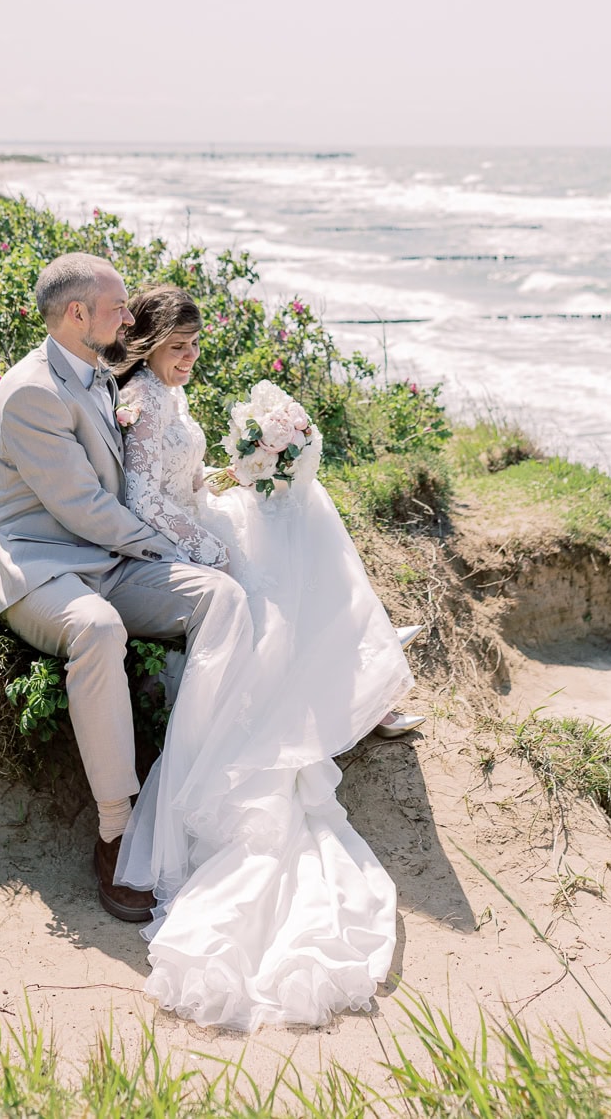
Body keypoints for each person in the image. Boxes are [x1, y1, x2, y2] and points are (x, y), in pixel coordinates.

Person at [108, 284, 422, 1030]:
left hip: (196, 518)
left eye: (193, 347)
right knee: (280, 558)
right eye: (178, 348)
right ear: (149, 345)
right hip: (177, 541)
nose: (190, 359)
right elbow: (143, 500)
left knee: (303, 509)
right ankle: (338, 687)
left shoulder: (167, 395)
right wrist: (212, 546)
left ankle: (353, 676)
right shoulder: (142, 402)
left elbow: (180, 483)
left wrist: (231, 480)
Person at [0, 251, 254, 925]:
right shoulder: (32, 390)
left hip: (109, 559)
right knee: (97, 628)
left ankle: (199, 773)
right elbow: (82, 506)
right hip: (43, 565)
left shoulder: (99, 373)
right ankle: (116, 827)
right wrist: (173, 545)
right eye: (117, 305)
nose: (129, 314)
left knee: (223, 598)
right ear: (76, 313)